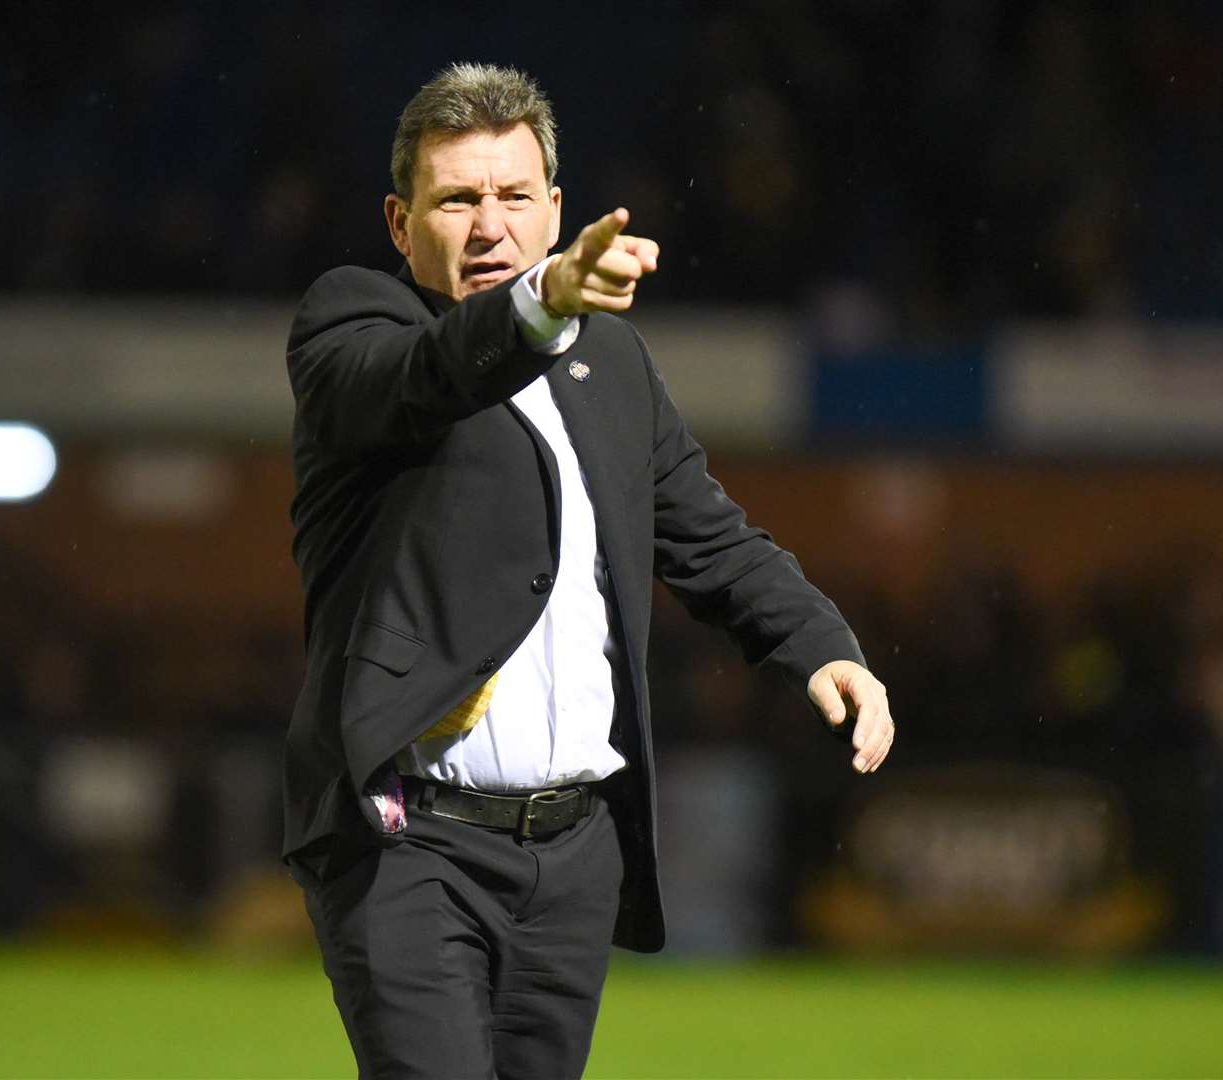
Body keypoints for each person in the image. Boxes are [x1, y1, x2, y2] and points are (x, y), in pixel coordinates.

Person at [282, 62, 895, 1079]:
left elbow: (710, 537)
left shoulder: (610, 364)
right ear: (400, 223)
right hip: (408, 849)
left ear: (555, 207)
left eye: (516, 198)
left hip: (571, 858)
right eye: (459, 200)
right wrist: (545, 296)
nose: (490, 226)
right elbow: (425, 379)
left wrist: (819, 645)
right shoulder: (355, 326)